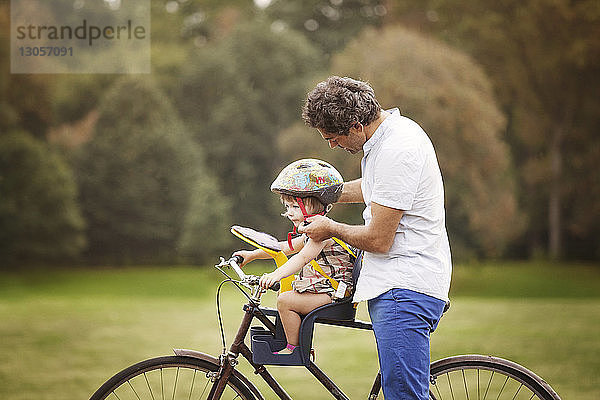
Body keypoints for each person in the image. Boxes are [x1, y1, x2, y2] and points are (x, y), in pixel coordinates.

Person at [299, 76, 452, 399]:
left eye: (334, 138)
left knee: (404, 397)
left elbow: (379, 239)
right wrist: (317, 192)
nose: (332, 146)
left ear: (355, 125)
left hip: (403, 290)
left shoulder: (397, 149)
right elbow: (375, 190)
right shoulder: (392, 136)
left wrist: (330, 227)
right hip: (400, 286)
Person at [233, 159, 356, 355]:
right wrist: (252, 255)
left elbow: (302, 258)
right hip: (325, 292)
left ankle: (296, 350)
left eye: (294, 207)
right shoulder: (311, 231)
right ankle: (292, 343)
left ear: (315, 206)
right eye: (287, 206)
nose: (289, 212)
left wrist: (275, 275)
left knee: (286, 301)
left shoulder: (322, 232)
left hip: (334, 296)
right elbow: (283, 247)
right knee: (286, 298)